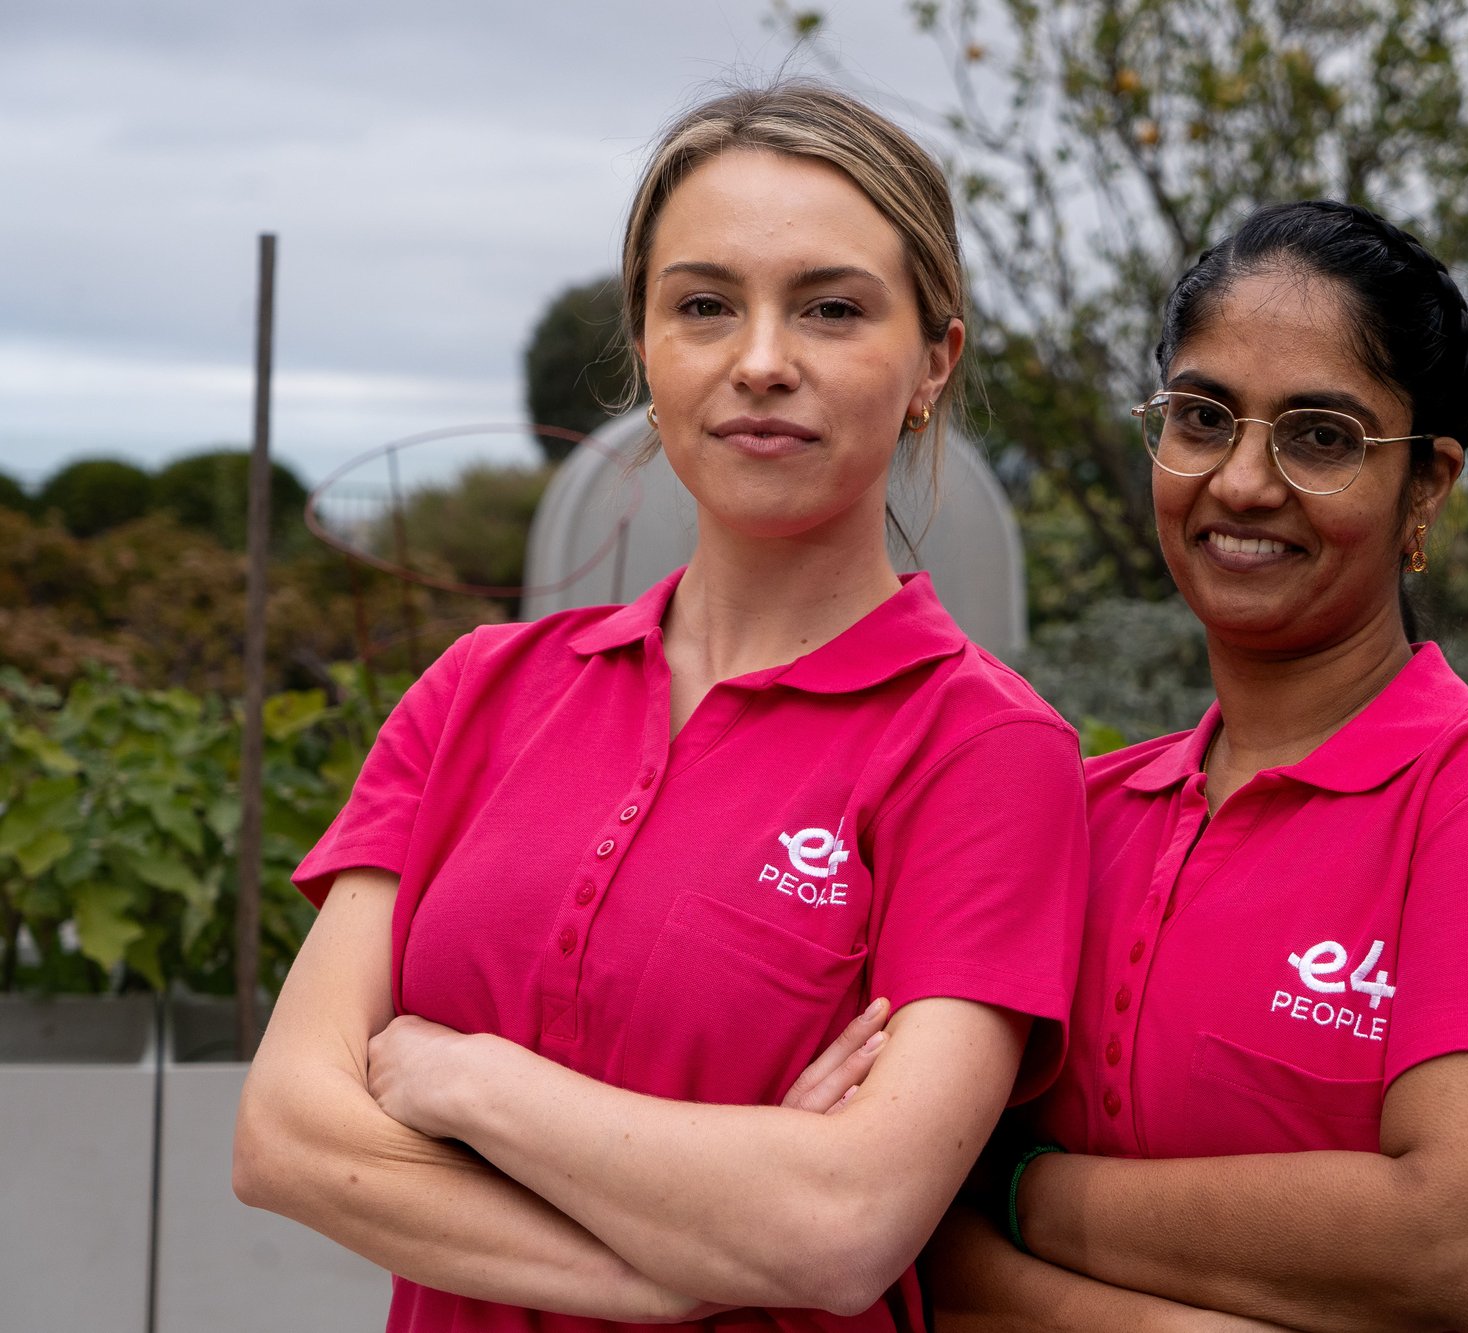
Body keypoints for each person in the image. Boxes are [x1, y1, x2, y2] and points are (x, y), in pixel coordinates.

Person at [233, 83, 1088, 1332]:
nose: (759, 361)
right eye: (702, 306)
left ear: (932, 360)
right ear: (646, 347)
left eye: (831, 309)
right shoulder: (479, 690)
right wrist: (677, 1269)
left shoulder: (984, 752)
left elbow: (843, 1227)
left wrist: (465, 1079)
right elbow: (287, 1139)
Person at [922, 201, 1468, 1332]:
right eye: (1202, 417)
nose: (1241, 482)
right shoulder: (1081, 815)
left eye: (1320, 435)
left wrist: (1026, 1189)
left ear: (1425, 486)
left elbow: (1458, 1237)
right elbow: (926, 1247)